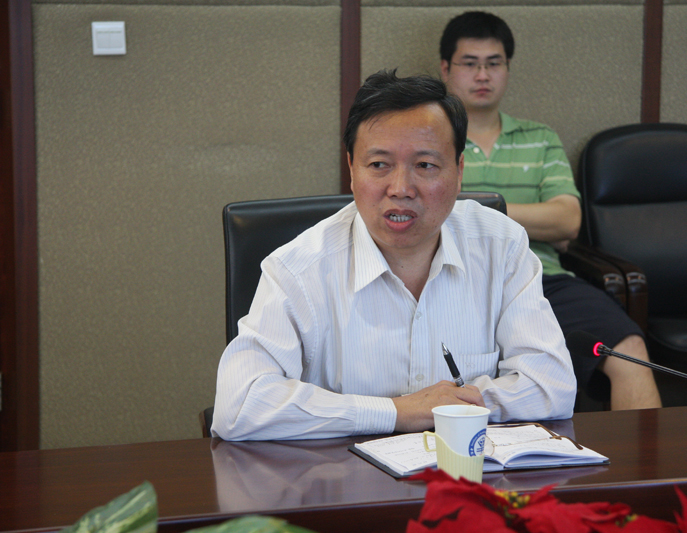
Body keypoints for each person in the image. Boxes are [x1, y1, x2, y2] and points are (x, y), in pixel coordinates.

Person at [211, 70, 576, 441]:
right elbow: (238, 406)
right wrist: (396, 411)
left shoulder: (501, 245)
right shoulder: (298, 269)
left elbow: (553, 386)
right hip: (342, 474)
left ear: (459, 171)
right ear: (351, 169)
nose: (400, 189)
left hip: (466, 468)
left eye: (425, 165)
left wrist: (450, 406)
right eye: (379, 165)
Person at [439, 11, 661, 410]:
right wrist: (533, 219)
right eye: (470, 63)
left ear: (507, 68)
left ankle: (644, 455)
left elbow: (567, 220)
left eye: (494, 63)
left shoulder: (540, 138)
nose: (483, 75)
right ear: (445, 69)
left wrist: (475, 212)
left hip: (544, 279)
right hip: (453, 280)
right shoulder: (433, 138)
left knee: (629, 350)